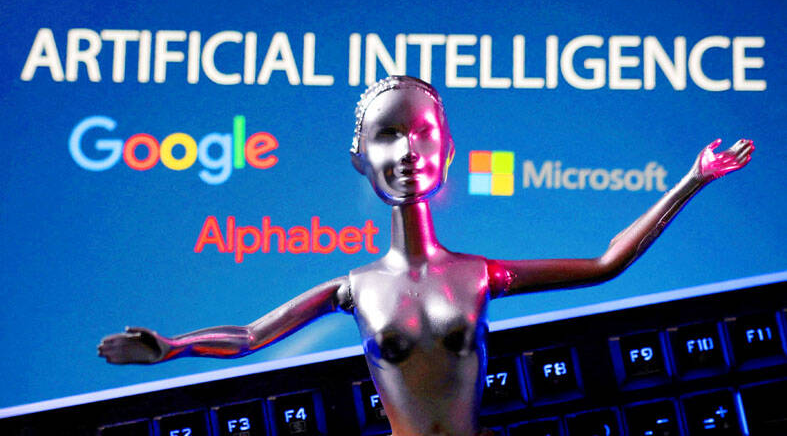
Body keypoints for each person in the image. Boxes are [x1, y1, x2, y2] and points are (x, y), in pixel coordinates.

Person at [99, 75, 754, 436]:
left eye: (423, 133)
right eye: (388, 135)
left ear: (445, 149)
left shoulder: (479, 275)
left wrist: (691, 180)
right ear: (360, 157)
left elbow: (606, 263)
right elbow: (249, 336)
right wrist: (175, 346)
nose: (408, 150)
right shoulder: (355, 287)